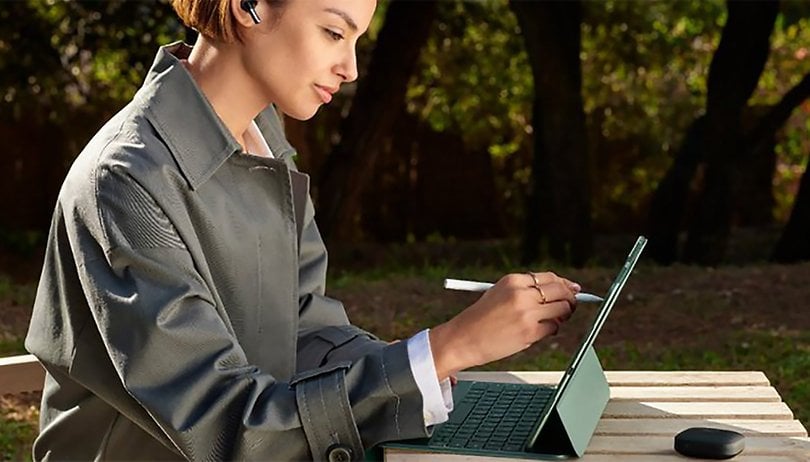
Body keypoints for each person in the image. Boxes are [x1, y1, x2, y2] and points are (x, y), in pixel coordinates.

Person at [24, 0, 581, 460]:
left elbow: (304, 332)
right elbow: (223, 425)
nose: (352, 68)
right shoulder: (124, 183)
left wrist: (420, 367)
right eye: (334, 32)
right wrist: (443, 349)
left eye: (356, 39)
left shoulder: (264, 144)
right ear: (249, 7)